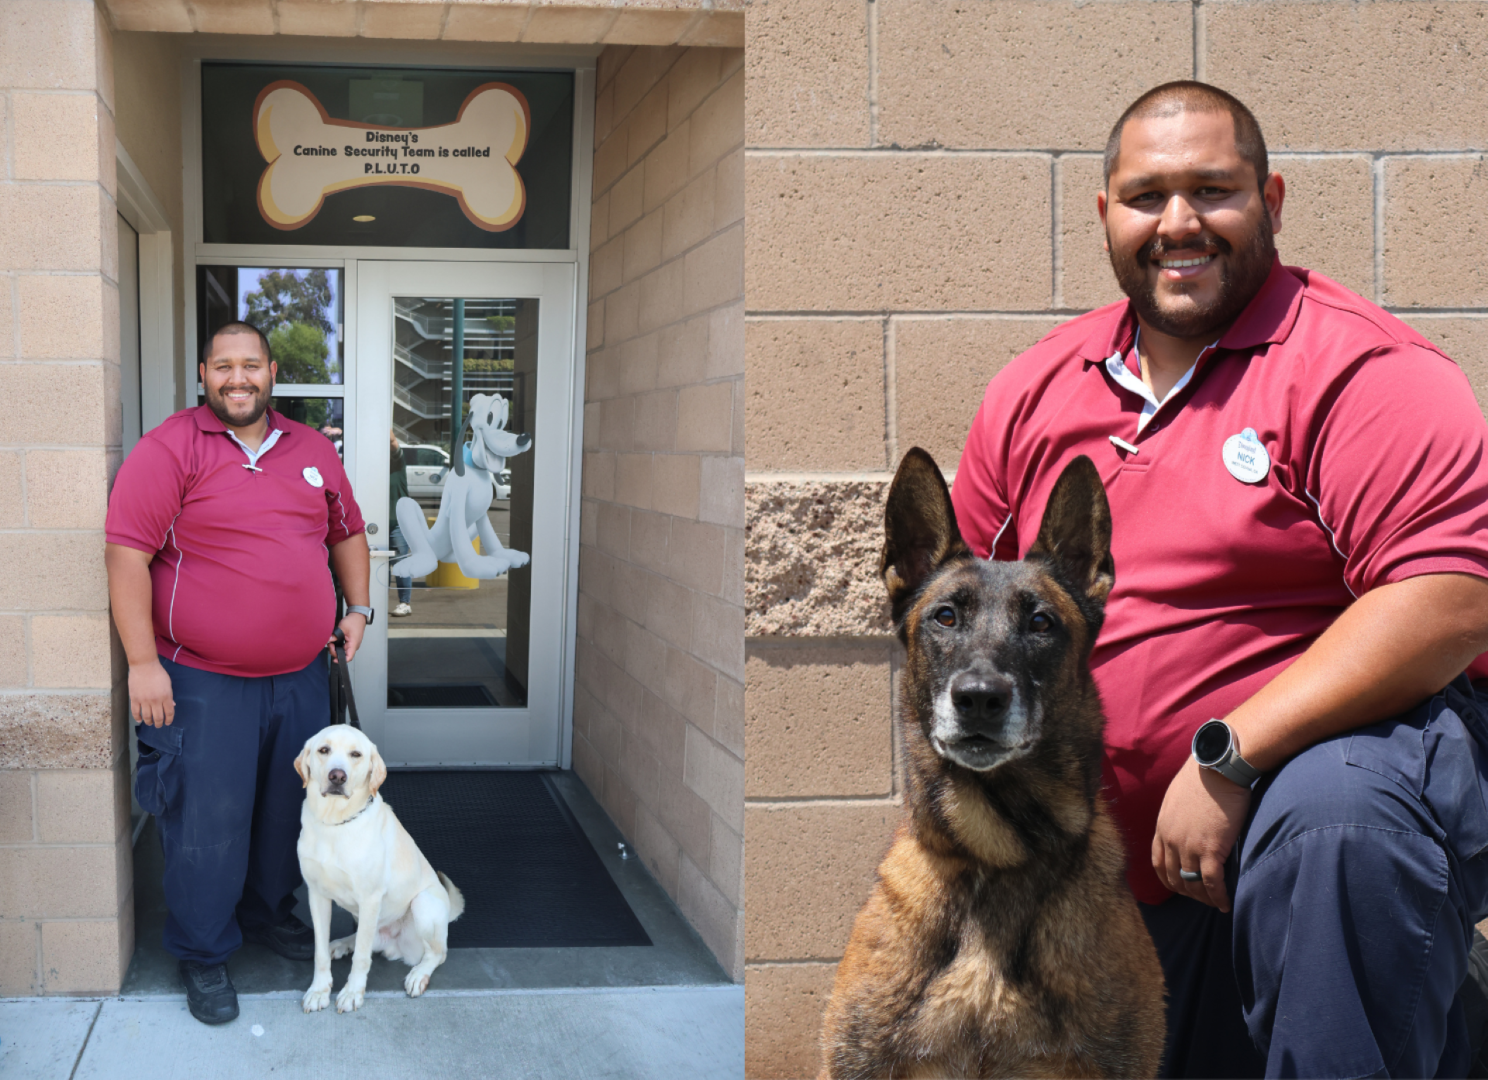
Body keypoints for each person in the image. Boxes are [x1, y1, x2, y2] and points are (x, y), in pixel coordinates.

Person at [951, 81, 1488, 1078]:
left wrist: (1230, 756)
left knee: (1341, 822)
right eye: (1149, 196)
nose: (1180, 222)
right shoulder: (1033, 392)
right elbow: (966, 617)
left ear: (1272, 203)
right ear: (1106, 214)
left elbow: (1448, 602)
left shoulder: (1363, 372)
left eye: (1214, 190)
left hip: (1311, 800)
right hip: (1125, 854)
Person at [104, 321, 373, 1025]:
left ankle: (265, 913)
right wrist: (141, 664)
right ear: (203, 374)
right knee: (207, 821)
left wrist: (360, 608)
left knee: (291, 810)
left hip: (303, 674)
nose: (237, 379)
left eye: (249, 365)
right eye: (223, 367)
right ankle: (202, 950)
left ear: (272, 371)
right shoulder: (170, 449)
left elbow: (346, 529)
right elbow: (126, 554)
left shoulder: (313, 450)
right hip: (200, 679)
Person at [389, 430, 413, 616]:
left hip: (397, 523)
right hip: (375, 524)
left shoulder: (396, 463)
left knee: (400, 563)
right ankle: (377, 601)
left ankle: (405, 603)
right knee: (375, 563)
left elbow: (392, 441)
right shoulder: (369, 470)